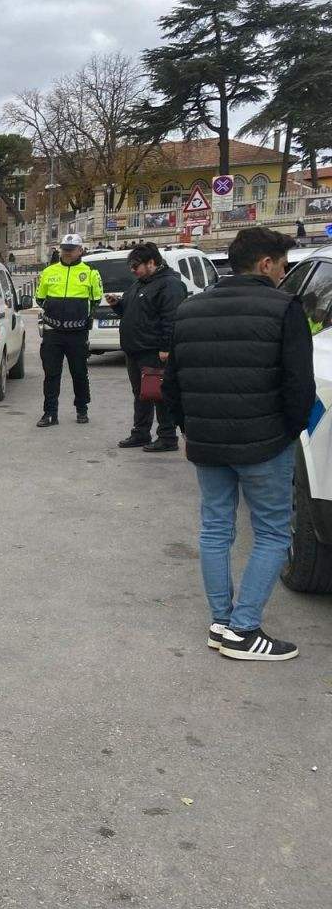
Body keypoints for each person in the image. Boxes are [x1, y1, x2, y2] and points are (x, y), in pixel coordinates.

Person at [163, 227, 315, 661]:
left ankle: (221, 623)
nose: (283, 275)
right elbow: (298, 385)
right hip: (264, 444)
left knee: (215, 529)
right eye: (282, 266)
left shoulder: (190, 309)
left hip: (207, 443)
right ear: (266, 264)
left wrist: (190, 428)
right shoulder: (285, 308)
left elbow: (172, 384)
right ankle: (244, 630)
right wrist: (290, 430)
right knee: (270, 533)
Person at [105, 243, 187, 453]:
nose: (132, 270)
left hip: (154, 350)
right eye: (131, 266)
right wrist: (117, 305)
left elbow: (172, 318)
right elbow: (132, 311)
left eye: (136, 266)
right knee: (142, 394)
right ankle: (141, 433)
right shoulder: (141, 283)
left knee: (160, 394)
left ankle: (167, 437)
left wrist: (166, 348)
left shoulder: (169, 285)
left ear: (152, 263)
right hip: (135, 350)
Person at [35, 233, 103, 427]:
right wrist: (54, 308)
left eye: (71, 250)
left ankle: (82, 409)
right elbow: (40, 298)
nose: (67, 253)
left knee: (79, 373)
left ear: (80, 250)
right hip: (53, 331)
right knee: (51, 374)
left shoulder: (90, 272)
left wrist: (79, 313)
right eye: (64, 249)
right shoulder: (49, 271)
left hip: (77, 332)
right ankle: (49, 413)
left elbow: (96, 299)